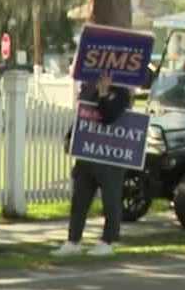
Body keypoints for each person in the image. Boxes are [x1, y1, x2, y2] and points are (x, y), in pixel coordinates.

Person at [53, 72, 132, 258]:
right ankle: (73, 241)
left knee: (110, 200)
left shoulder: (121, 93)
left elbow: (109, 116)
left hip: (110, 157)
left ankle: (108, 241)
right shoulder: (89, 88)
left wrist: (104, 94)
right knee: (79, 199)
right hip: (87, 156)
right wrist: (71, 137)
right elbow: (84, 115)